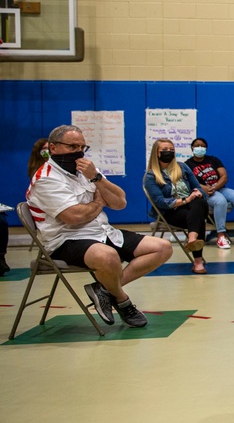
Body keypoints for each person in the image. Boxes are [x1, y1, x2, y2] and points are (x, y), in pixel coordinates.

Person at [26, 125, 173, 327]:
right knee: (108, 256)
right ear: (53, 148)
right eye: (71, 146)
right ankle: (122, 301)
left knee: (162, 248)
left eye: (81, 146)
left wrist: (95, 177)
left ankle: (103, 289)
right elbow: (73, 217)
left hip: (101, 232)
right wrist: (98, 203)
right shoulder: (46, 179)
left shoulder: (86, 169)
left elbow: (120, 202)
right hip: (65, 240)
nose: (78, 151)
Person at [143, 139, 211, 274]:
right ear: (157, 153)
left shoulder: (183, 167)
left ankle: (192, 239)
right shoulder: (151, 176)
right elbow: (161, 202)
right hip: (170, 212)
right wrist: (186, 200)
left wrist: (198, 193)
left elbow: (198, 188)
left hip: (193, 207)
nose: (169, 152)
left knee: (199, 201)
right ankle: (197, 261)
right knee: (198, 218)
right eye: (165, 150)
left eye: (171, 150)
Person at [185, 137, 234, 249]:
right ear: (192, 148)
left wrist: (215, 187)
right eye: (197, 145)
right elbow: (190, 181)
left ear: (206, 148)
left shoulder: (213, 160)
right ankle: (221, 236)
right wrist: (204, 188)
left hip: (219, 188)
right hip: (203, 192)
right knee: (220, 201)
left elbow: (224, 176)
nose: (199, 148)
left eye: (202, 146)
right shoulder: (188, 164)